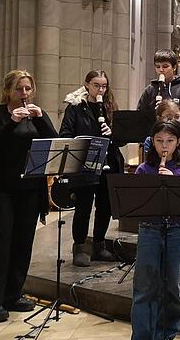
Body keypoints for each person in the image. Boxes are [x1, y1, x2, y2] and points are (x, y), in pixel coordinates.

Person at [0, 70, 58, 323]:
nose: (24, 94)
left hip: (30, 190)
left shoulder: (38, 115)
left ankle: (13, 294)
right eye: (18, 90)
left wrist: (42, 118)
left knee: (23, 243)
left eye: (27, 89)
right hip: (0, 190)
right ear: (8, 91)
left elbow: (54, 143)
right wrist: (11, 122)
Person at [132, 120, 180, 339]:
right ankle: (142, 335)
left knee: (171, 287)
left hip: (176, 229)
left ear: (178, 142)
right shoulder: (144, 168)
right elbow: (135, 203)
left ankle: (167, 334)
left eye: (170, 141)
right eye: (159, 141)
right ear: (153, 143)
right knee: (145, 287)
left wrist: (174, 182)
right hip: (149, 228)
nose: (164, 146)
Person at [59, 70, 123, 267]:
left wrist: (112, 132)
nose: (101, 89)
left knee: (105, 206)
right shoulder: (76, 107)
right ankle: (79, 247)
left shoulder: (109, 106)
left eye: (104, 86)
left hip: (108, 162)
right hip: (85, 163)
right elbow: (66, 133)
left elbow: (121, 137)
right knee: (84, 207)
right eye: (96, 85)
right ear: (87, 84)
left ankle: (99, 245)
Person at [137, 48, 180, 119]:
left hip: (178, 129)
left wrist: (173, 111)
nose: (161, 70)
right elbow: (139, 114)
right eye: (157, 67)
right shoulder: (150, 90)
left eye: (165, 66)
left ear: (174, 67)